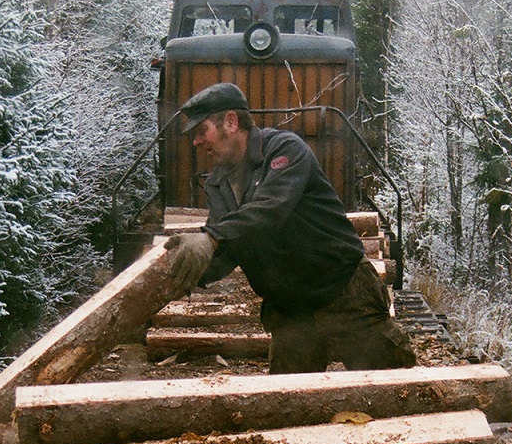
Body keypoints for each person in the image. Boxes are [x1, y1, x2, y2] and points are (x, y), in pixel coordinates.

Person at [162, 82, 416, 375]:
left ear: (230, 121)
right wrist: (188, 271)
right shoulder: (218, 183)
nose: (195, 142)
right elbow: (230, 248)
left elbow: (269, 211)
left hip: (343, 292)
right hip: (291, 312)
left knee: (397, 393)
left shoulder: (285, 150)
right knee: (289, 405)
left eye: (200, 131)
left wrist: (211, 238)